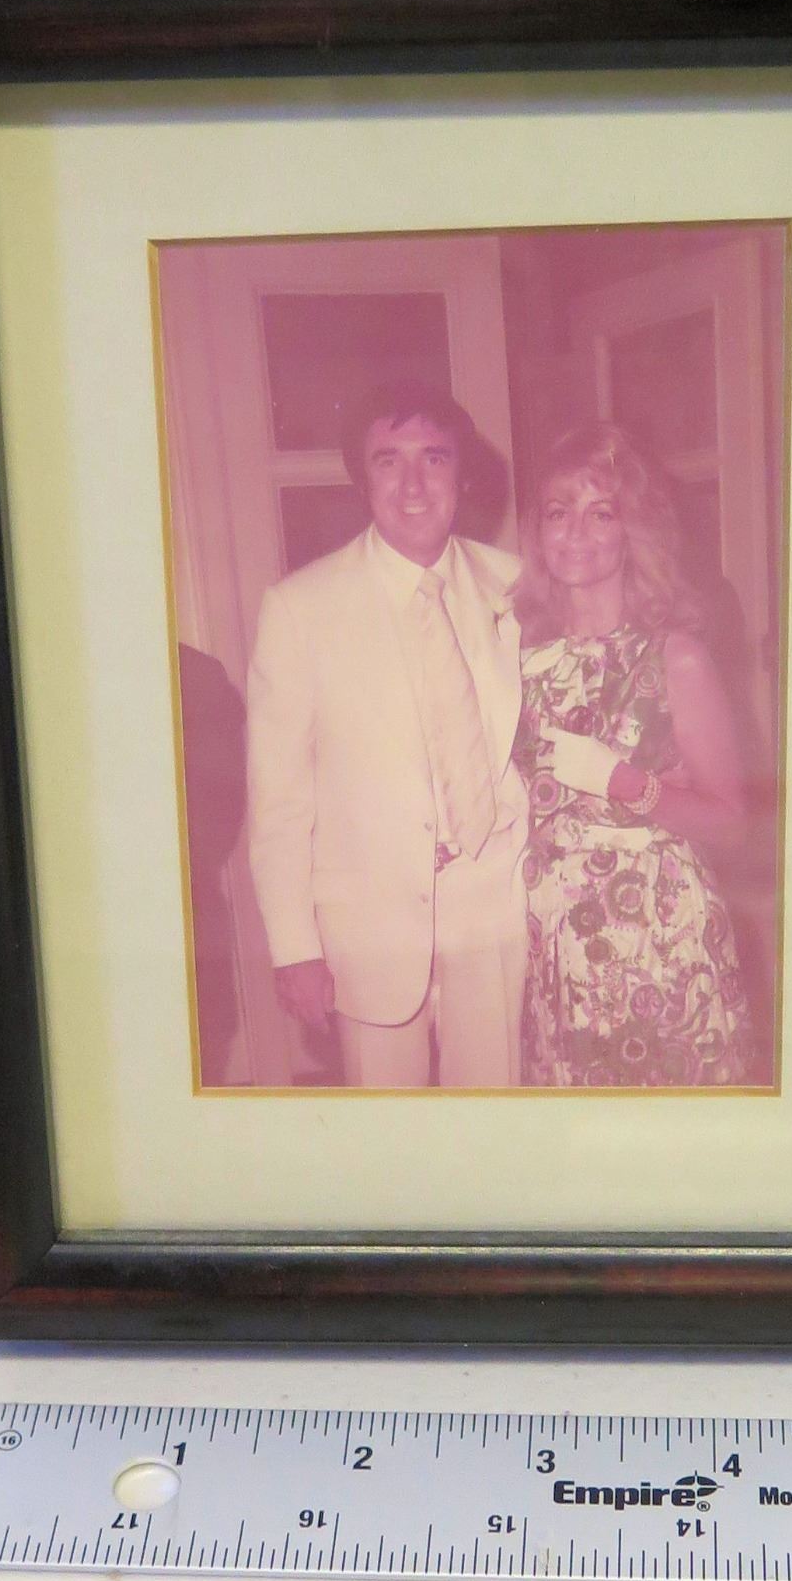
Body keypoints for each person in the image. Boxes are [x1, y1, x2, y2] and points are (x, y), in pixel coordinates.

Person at [246, 384, 528, 1088]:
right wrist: (293, 948)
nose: (412, 484)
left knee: (494, 1121)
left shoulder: (520, 589)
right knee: (385, 1129)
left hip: (494, 907)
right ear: (361, 478)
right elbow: (279, 800)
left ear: (463, 474)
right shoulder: (301, 609)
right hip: (368, 927)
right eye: (387, 461)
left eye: (433, 458)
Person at [512, 423, 756, 1087]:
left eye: (602, 513)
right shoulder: (518, 658)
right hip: (557, 940)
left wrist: (627, 783)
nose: (575, 532)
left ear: (634, 530)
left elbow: (733, 824)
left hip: (658, 933)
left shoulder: (675, 656)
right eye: (558, 512)